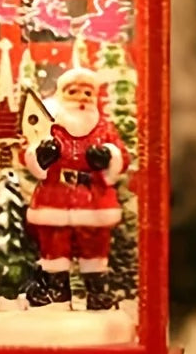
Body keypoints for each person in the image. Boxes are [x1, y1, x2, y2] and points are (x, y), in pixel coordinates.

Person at [24, 67, 128, 311]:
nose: (82, 98)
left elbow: (122, 155)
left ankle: (97, 293)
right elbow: (29, 152)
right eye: (74, 92)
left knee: (94, 246)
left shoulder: (104, 128)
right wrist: (41, 156)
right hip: (56, 195)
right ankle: (56, 292)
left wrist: (108, 156)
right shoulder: (52, 128)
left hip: (93, 197)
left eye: (87, 93)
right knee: (54, 244)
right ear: (62, 94)